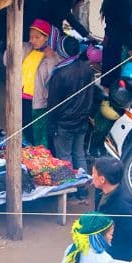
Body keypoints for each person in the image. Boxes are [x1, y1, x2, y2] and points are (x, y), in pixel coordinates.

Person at [47, 36, 95, 197]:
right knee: (79, 154)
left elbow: (53, 103)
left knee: (64, 158)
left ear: (61, 52)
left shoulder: (60, 74)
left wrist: (52, 124)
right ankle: (82, 190)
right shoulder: (87, 69)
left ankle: (68, 192)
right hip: (82, 120)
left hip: (64, 123)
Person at [91, 156, 132, 261]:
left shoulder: (122, 206)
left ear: (102, 179)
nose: (92, 176)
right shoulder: (102, 193)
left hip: (116, 257)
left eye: (93, 173)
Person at [19, 19, 50, 138]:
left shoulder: (51, 56)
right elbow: (7, 61)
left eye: (37, 37)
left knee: (37, 131)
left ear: (46, 37)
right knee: (23, 125)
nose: (33, 40)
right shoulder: (27, 48)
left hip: (38, 99)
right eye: (31, 37)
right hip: (22, 96)